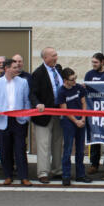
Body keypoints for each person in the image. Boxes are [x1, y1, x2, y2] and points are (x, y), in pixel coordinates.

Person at [0, 58, 32, 186]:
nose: (17, 69)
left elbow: (26, 101)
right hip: (2, 120)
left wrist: (26, 117)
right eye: (14, 67)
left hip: (19, 120)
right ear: (6, 68)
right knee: (4, 150)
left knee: (20, 150)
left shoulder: (23, 82)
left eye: (18, 67)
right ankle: (8, 175)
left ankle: (24, 176)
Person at [30, 47, 64, 183]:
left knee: (57, 143)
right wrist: (37, 104)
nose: (56, 57)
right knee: (44, 145)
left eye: (56, 54)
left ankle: (57, 170)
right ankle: (43, 172)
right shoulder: (38, 73)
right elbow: (32, 93)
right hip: (43, 116)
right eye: (53, 55)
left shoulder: (59, 69)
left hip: (59, 113)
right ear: (45, 58)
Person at [57, 68, 92, 186]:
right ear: (65, 80)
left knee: (80, 150)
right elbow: (65, 110)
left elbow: (84, 103)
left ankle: (80, 174)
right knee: (67, 149)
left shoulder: (79, 88)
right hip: (68, 122)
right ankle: (66, 175)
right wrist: (75, 121)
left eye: (75, 78)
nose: (75, 81)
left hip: (80, 120)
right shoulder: (61, 92)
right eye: (72, 79)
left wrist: (83, 117)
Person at [84, 52, 104, 175]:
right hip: (94, 111)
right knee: (95, 139)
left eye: (96, 62)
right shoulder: (89, 74)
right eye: (92, 62)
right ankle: (94, 164)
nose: (93, 64)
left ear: (103, 61)